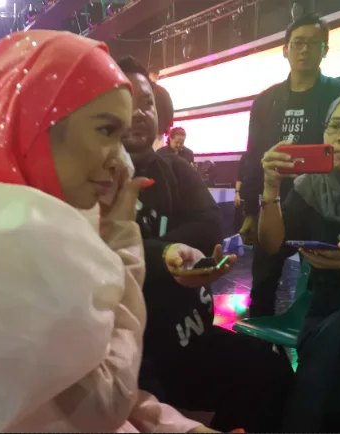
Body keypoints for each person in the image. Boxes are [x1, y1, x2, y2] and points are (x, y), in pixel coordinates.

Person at [0, 31, 216, 433]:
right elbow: (105, 403)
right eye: (105, 131)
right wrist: (122, 239)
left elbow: (79, 395)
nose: (119, 160)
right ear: (36, 126)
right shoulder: (12, 254)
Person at [119, 56, 293, 432]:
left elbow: (208, 228)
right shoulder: (95, 179)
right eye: (126, 100)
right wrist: (163, 254)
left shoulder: (176, 169)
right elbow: (103, 250)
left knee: (271, 369)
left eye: (147, 102)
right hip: (136, 358)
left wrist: (148, 251)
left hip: (193, 339)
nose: (138, 112)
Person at [240, 13, 340, 317]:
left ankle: (317, 337)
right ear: (285, 50)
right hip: (272, 203)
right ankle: (259, 340)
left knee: (323, 285)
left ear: (325, 50)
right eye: (298, 43)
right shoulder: (266, 101)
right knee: (262, 285)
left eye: (313, 43)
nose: (304, 50)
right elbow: (253, 156)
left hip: (320, 207)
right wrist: (248, 212)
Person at [258, 90, 340, 432]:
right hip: (324, 315)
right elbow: (273, 245)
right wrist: (271, 187)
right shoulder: (310, 187)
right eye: (337, 126)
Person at [147, 67, 174, 152]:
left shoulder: (143, 89)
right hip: (159, 129)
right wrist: (167, 127)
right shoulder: (163, 91)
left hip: (145, 128)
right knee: (158, 152)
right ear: (157, 76)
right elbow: (169, 110)